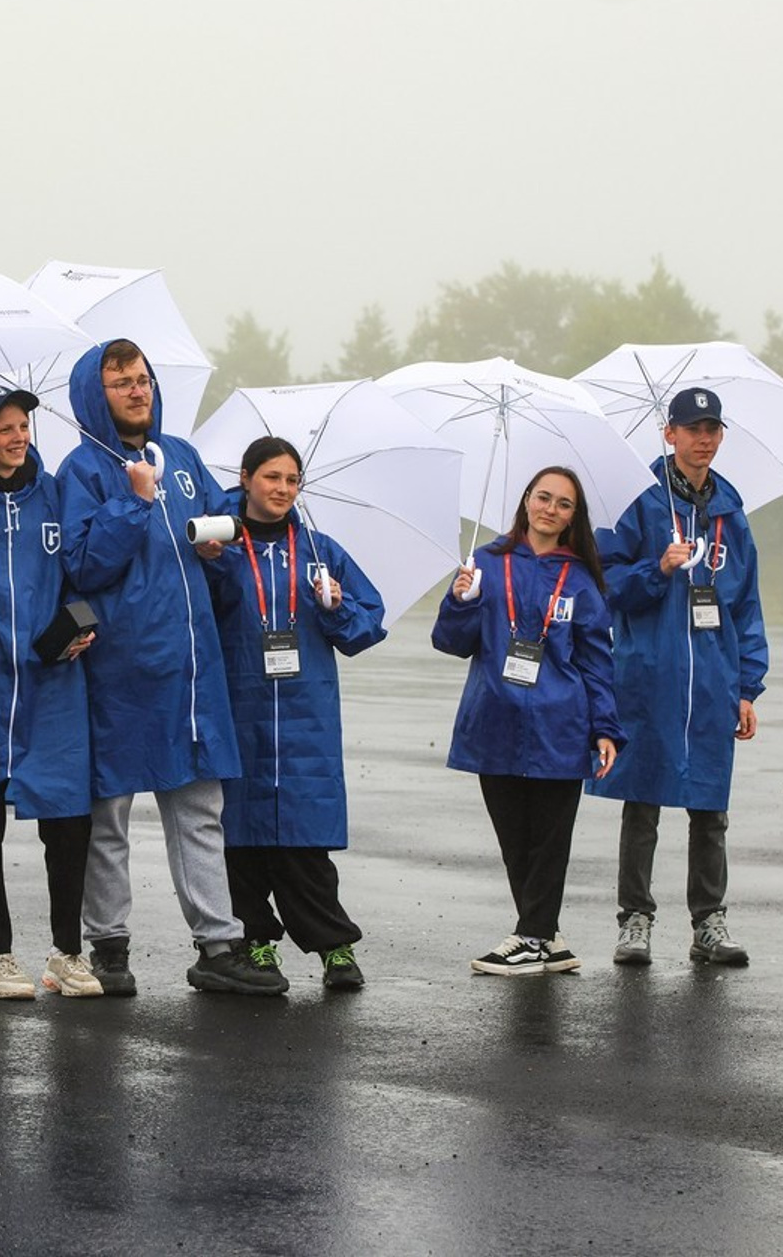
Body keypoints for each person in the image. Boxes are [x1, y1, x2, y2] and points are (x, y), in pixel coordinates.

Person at [58, 338, 286, 996]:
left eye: (142, 379)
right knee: (109, 815)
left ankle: (217, 946)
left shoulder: (181, 459)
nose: (137, 390)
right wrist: (133, 501)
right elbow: (83, 565)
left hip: (192, 672)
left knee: (200, 809)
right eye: (120, 382)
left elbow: (226, 540)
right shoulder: (82, 471)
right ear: (94, 397)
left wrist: (224, 550)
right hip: (120, 673)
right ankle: (108, 948)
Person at [588, 388, 767, 966]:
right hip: (648, 676)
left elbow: (745, 607)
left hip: (713, 682)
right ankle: (634, 919)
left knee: (710, 807)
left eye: (712, 429)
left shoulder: (731, 515)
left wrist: (746, 687)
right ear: (670, 434)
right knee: (642, 802)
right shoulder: (636, 502)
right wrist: (656, 568)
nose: (704, 439)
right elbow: (606, 584)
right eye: (693, 429)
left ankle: (708, 923)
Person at [202, 437, 386, 990]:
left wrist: (337, 605)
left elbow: (367, 625)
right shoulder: (219, 545)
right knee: (241, 835)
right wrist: (211, 568)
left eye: (291, 480)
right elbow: (192, 614)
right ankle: (255, 941)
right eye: (271, 478)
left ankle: (333, 947)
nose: (282, 489)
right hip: (240, 707)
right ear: (246, 478)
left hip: (307, 714)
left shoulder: (319, 549)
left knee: (305, 842)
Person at [432, 466, 624, 975]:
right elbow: (450, 642)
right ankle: (545, 935)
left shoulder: (581, 578)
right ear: (525, 501)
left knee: (549, 838)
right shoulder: (488, 564)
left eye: (564, 504)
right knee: (515, 838)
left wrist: (606, 727)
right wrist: (460, 600)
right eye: (544, 498)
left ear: (572, 518)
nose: (551, 509)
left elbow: (596, 661)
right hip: (493, 720)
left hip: (560, 725)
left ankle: (532, 934)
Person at [0, 385, 101, 999]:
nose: (18, 438)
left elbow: (83, 572)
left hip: (53, 681)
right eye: (5, 428)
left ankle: (68, 951)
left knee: (69, 821)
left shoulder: (54, 492)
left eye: (24, 427)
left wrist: (80, 623)